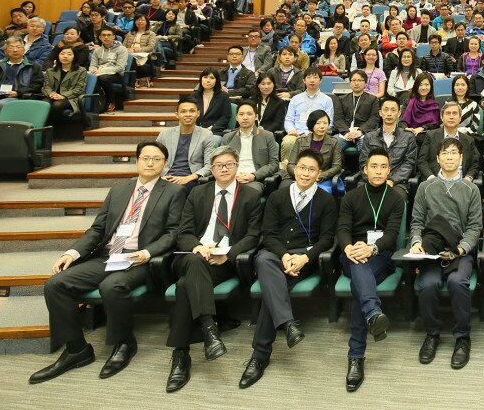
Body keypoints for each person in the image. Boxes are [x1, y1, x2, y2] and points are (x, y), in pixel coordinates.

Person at [28, 141, 183, 385]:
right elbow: (98, 229)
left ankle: (124, 342)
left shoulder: (173, 192)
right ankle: (77, 349)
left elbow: (173, 232)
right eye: (145, 158)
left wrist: (146, 253)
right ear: (137, 161)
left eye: (156, 159)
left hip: (138, 260)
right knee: (55, 284)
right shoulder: (119, 190)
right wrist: (72, 252)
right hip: (109, 255)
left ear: (165, 164)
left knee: (111, 286)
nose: (150, 163)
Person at [165, 146, 263, 393]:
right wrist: (197, 247)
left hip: (223, 261)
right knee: (195, 263)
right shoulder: (198, 193)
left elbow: (253, 235)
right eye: (219, 165)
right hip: (192, 255)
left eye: (229, 164)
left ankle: (181, 355)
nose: (225, 169)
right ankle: (210, 330)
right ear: (211, 168)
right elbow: (183, 233)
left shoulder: (250, 196)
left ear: (237, 166)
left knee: (184, 285)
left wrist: (229, 255)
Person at [239, 148, 337, 388]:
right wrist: (284, 255)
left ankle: (259, 356)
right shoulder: (277, 197)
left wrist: (305, 257)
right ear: (294, 169)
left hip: (304, 259)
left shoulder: (326, 200)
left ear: (319, 173)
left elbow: (326, 238)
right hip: (276, 256)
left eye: (311, 169)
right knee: (263, 260)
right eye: (302, 168)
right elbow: (268, 234)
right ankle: (287, 324)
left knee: (272, 292)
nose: (305, 173)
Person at [409, 137, 483, 369]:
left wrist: (461, 249)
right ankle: (432, 334)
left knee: (457, 281)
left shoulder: (470, 189)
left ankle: (462, 337)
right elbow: (417, 221)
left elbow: (474, 227)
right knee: (428, 284)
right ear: (438, 158)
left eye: (454, 153)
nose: (449, 157)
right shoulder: (425, 187)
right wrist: (417, 241)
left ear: (461, 158)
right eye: (445, 153)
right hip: (433, 251)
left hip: (460, 251)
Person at [337, 148, 404, 392]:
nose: (378, 171)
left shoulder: (396, 198)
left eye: (383, 167)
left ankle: (356, 356)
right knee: (359, 272)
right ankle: (373, 314)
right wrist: (348, 248)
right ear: (365, 170)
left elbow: (392, 234)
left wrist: (372, 249)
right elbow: (342, 229)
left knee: (359, 284)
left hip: (381, 256)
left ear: (389, 170)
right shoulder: (351, 197)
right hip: (352, 254)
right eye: (373, 166)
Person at [358, 96, 417, 199]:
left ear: (399, 113)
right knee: (358, 196)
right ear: (380, 113)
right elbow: (364, 162)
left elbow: (409, 163)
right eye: (386, 110)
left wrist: (392, 180)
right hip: (372, 179)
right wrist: (375, 179)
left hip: (397, 183)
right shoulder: (369, 137)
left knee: (398, 197)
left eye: (393, 110)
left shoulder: (408, 137)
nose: (389, 113)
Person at [0, 37, 45, 120]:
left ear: (24, 50)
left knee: (1, 104)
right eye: (11, 47)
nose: (15, 50)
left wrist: (18, 92)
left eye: (18, 47)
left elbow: (37, 85)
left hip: (19, 96)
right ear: (5, 51)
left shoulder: (33, 66)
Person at [219, 102, 280, 194]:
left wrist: (254, 176)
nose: (245, 117)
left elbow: (274, 164)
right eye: (241, 114)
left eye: (249, 114)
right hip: (230, 178)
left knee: (246, 194)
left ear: (256, 116)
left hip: (254, 180)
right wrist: (231, 175)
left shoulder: (267, 136)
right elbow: (221, 162)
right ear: (236, 117)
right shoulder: (227, 137)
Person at [158, 97, 217, 192]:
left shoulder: (206, 135)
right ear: (177, 115)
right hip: (166, 177)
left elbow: (209, 165)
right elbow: (156, 159)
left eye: (192, 111)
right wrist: (159, 177)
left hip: (191, 179)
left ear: (198, 113)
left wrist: (188, 178)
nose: (188, 115)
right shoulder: (165, 134)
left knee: (178, 190)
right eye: (183, 111)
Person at [417, 101, 481, 182]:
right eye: (448, 113)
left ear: (460, 118)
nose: (451, 117)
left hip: (461, 182)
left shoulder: (468, 139)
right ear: (441, 117)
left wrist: (468, 178)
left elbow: (475, 164)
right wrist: (431, 178)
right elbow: (422, 161)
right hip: (435, 181)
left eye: (454, 113)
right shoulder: (431, 136)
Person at [282, 67, 334, 162]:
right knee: (288, 142)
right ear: (303, 80)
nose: (312, 80)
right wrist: (291, 130)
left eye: (315, 77)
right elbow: (289, 119)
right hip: (296, 134)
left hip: (317, 134)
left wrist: (317, 131)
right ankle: (286, 171)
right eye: (309, 77)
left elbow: (329, 122)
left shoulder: (327, 100)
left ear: (321, 80)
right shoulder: (295, 99)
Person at [286, 109, 343, 194]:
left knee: (320, 192)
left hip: (321, 179)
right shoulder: (300, 141)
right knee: (286, 190)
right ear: (311, 124)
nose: (322, 126)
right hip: (300, 177)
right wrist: (301, 175)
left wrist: (320, 175)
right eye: (318, 123)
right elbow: (291, 164)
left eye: (325, 123)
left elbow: (337, 166)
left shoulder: (333, 142)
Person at [333, 69, 380, 149]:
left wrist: (360, 131)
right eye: (353, 80)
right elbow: (338, 119)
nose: (356, 83)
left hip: (364, 133)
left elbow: (374, 119)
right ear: (350, 83)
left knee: (366, 146)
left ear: (365, 83)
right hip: (345, 133)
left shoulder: (373, 99)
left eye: (360, 80)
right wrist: (347, 132)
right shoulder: (341, 99)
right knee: (335, 145)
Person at [43, 47, 89, 122]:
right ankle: (44, 128)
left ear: (74, 57)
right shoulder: (50, 71)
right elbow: (46, 87)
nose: (65, 56)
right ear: (58, 56)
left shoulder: (81, 71)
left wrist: (63, 95)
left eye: (69, 54)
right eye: (62, 54)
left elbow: (79, 89)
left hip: (71, 98)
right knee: (44, 104)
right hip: (52, 96)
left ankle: (53, 128)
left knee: (56, 105)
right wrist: (51, 93)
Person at [89, 29, 129, 111]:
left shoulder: (122, 49)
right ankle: (96, 103)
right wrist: (93, 70)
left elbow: (120, 67)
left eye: (109, 35)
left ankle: (111, 101)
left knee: (103, 78)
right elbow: (92, 65)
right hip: (99, 73)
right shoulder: (97, 51)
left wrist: (102, 71)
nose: (106, 37)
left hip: (116, 75)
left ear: (114, 37)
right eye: (103, 35)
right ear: (100, 37)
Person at [192, 69, 230, 138]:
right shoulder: (194, 96)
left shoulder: (224, 96)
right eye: (205, 77)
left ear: (217, 80)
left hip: (214, 132)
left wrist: (211, 129)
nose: (208, 80)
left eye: (212, 78)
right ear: (201, 79)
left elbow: (225, 117)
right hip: (196, 132)